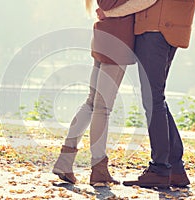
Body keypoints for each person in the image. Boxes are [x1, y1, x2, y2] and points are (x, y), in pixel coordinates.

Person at [100, 0, 195, 188]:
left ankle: (160, 169)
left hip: (156, 30)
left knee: (153, 100)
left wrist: (110, 13)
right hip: (167, 28)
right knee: (156, 98)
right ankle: (175, 168)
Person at [52, 0, 136, 186]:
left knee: (91, 102)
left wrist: (110, 14)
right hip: (118, 38)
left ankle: (65, 161)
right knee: (102, 107)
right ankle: (98, 170)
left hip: (103, 35)